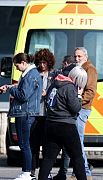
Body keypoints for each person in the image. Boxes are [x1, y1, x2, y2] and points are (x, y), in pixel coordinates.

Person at [38, 66, 87, 180]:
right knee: (77, 158)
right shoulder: (69, 87)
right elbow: (75, 108)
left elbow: (47, 101)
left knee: (49, 158)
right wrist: (79, 95)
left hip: (51, 124)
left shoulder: (55, 83)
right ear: (76, 79)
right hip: (66, 125)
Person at [56, 47, 97, 180]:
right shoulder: (77, 68)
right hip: (76, 108)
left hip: (82, 108)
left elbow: (90, 91)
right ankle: (78, 172)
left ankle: (85, 172)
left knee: (78, 141)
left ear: (86, 56)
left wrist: (77, 101)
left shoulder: (90, 69)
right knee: (74, 141)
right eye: (75, 56)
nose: (77, 59)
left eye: (79, 56)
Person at [0, 53, 42, 180]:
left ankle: (27, 172)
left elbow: (23, 95)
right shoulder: (30, 74)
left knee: (24, 144)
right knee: (25, 144)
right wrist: (9, 87)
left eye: (16, 65)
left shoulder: (30, 75)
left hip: (25, 113)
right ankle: (27, 172)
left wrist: (11, 90)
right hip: (25, 112)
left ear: (23, 63)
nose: (16, 68)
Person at [31, 48, 56, 178]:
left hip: (48, 115)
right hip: (35, 114)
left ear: (49, 62)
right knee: (34, 145)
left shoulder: (54, 75)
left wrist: (47, 92)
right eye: (40, 62)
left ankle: (46, 172)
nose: (42, 65)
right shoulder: (34, 74)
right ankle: (32, 171)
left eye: (44, 62)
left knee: (47, 146)